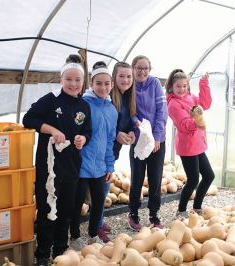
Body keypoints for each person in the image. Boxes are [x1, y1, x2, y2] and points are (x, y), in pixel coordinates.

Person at [23, 54, 92, 266]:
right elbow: (29, 120)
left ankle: (61, 251)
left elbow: (87, 131)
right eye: (68, 79)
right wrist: (52, 129)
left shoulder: (84, 106)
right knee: (45, 211)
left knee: (67, 211)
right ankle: (43, 253)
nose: (73, 84)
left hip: (71, 167)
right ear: (61, 79)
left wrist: (82, 139)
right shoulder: (51, 99)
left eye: (77, 80)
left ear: (83, 82)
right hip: (48, 168)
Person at [69, 61, 117, 249]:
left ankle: (92, 236)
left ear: (111, 86)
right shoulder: (83, 105)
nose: (103, 87)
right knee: (77, 203)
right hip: (81, 165)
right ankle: (74, 236)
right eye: (99, 83)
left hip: (100, 168)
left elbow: (110, 141)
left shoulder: (112, 110)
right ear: (91, 84)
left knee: (98, 202)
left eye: (107, 83)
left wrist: (110, 166)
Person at [165, 69, 214, 219]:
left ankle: (197, 207)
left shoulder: (191, 97)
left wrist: (204, 84)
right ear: (171, 87)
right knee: (193, 180)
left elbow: (205, 104)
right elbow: (184, 124)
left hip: (198, 143)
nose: (182, 89)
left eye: (185, 86)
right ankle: (181, 210)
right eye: (178, 86)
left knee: (209, 176)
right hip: (187, 147)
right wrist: (197, 121)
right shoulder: (173, 104)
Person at [96, 61, 137, 242]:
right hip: (102, 150)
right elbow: (102, 127)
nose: (125, 79)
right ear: (114, 78)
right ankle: (96, 226)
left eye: (129, 76)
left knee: (104, 186)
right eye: (121, 76)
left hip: (114, 150)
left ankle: (98, 220)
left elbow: (127, 123)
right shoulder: (108, 97)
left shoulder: (128, 97)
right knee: (102, 188)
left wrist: (131, 133)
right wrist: (117, 134)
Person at [128, 55, 168, 230]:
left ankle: (154, 214)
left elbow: (162, 111)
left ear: (149, 70)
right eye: (138, 68)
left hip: (157, 141)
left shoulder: (155, 84)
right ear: (133, 69)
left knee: (155, 178)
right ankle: (133, 213)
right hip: (138, 140)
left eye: (145, 68)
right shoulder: (130, 86)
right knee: (137, 178)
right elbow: (129, 111)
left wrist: (157, 136)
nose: (142, 71)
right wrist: (136, 123)